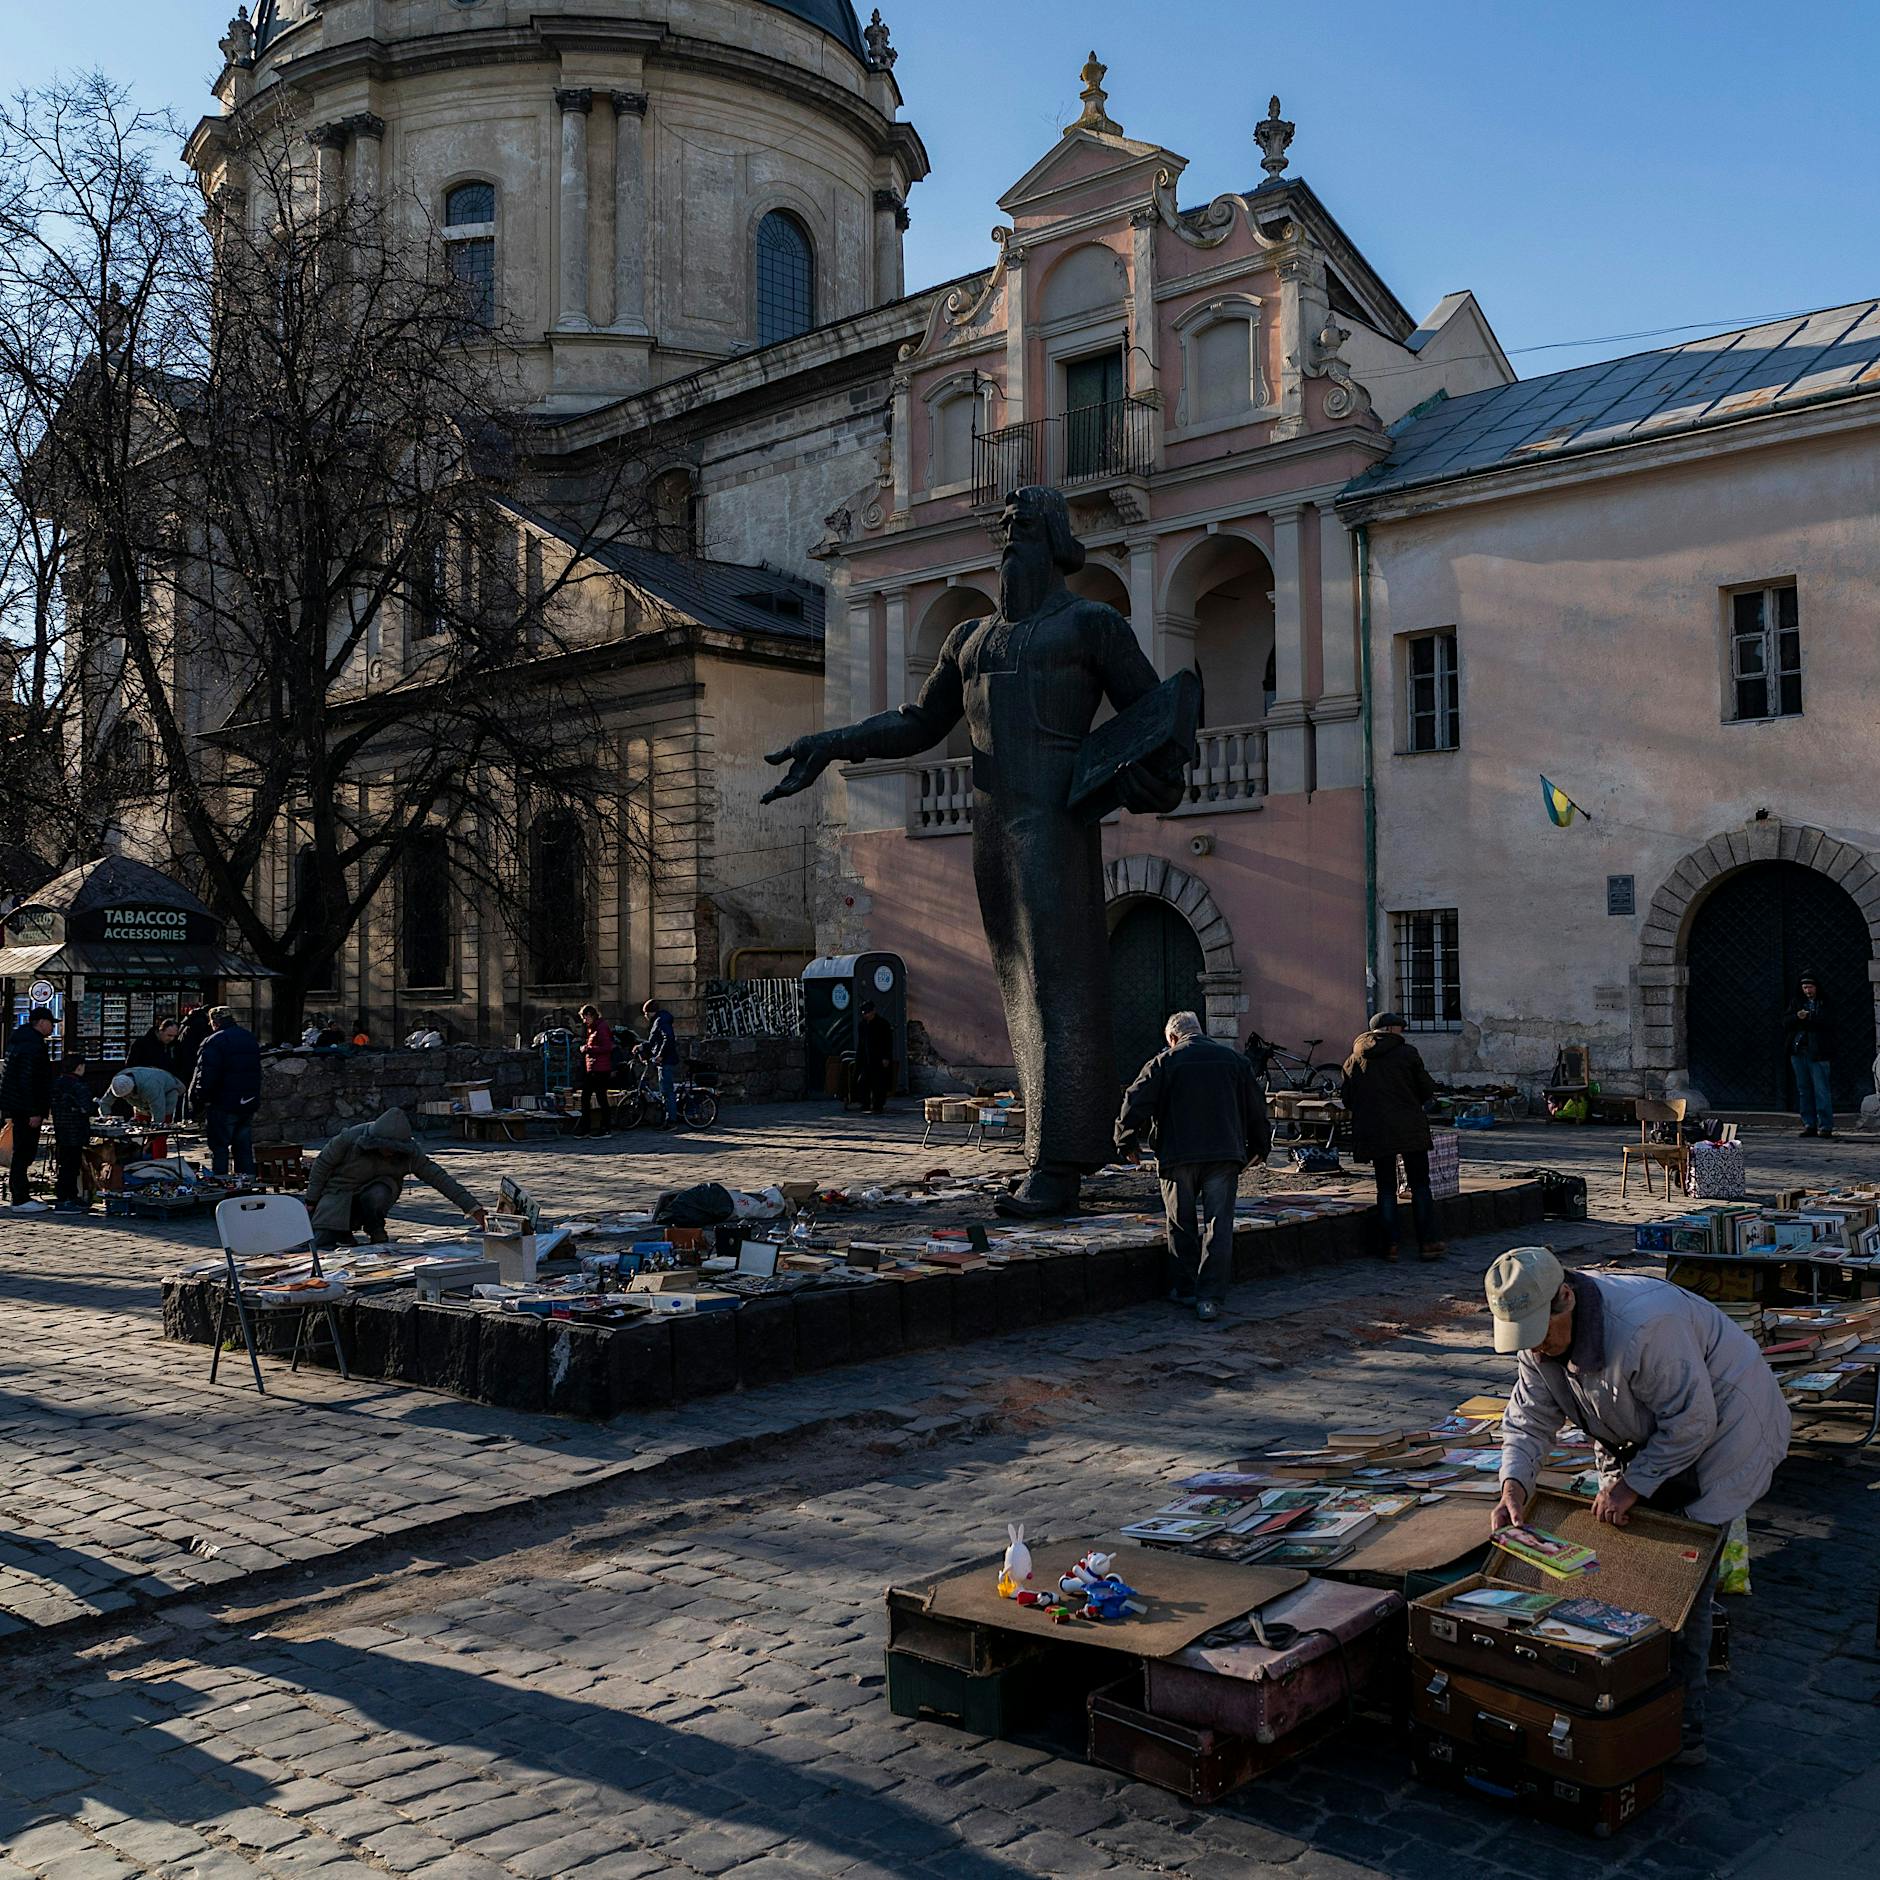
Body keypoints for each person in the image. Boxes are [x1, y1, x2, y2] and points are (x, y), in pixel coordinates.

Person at [762, 486, 1186, 1220]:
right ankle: (1042, 1156)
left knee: (1062, 983)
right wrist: (829, 744)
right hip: (991, 823)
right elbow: (919, 723)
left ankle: (1061, 1163)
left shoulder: (1093, 624)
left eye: (1023, 529)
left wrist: (1154, 778)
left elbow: (1155, 717)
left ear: (1055, 541)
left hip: (1055, 814)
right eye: (1003, 531)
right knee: (1019, 986)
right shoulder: (970, 639)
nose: (1008, 543)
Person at [1485, 1246, 1791, 1768]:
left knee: (1682, 1580)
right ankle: (1629, 1690)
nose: (1535, 1349)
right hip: (1641, 1435)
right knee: (1627, 1563)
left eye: (1541, 1333)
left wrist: (1631, 1486)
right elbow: (1529, 1416)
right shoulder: (1538, 1340)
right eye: (1525, 1339)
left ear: (1566, 1298)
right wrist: (1514, 1481)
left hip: (1725, 1432)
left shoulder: (1646, 1326)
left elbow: (1693, 1422)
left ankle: (1683, 1727)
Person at [1114, 1011, 1271, 1324]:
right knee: (1219, 1223)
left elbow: (1134, 1100)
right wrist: (1260, 1146)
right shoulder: (1234, 1061)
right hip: (1224, 1152)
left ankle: (1185, 1288)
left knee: (1181, 1222)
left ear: (1173, 1038)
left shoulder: (1164, 1062)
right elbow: (1256, 1105)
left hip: (1178, 1154)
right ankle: (1210, 1297)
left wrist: (1126, 1142)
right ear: (1200, 1031)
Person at [304, 1108, 488, 1248]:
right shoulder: (349, 1139)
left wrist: (473, 1209)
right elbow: (322, 1165)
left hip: (375, 1194)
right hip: (338, 1193)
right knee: (321, 1241)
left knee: (378, 1193)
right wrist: (311, 1200)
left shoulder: (410, 1152)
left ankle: (375, 1229)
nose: (389, 1152)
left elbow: (440, 1178)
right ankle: (342, 1232)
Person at [1341, 1011, 1444, 1263]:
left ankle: (1390, 1246)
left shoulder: (1354, 1058)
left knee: (1385, 1188)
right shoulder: (1407, 1054)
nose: (1403, 1033)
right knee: (1420, 1185)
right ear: (1389, 1030)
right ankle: (1428, 1242)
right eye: (1400, 1028)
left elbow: (1347, 1098)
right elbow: (1426, 1089)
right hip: (1408, 1126)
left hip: (1375, 1130)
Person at [192, 1005, 262, 1178]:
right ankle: (246, 1184)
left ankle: (221, 1185)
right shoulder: (248, 1037)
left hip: (222, 1102)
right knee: (243, 1146)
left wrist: (200, 1099)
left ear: (214, 1022)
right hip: (247, 1100)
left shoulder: (214, 1041)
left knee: (220, 1147)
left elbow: (206, 1074)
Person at [1, 1007, 57, 1212]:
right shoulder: (32, 1045)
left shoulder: (19, 1041)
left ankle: (19, 1194)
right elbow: (29, 1080)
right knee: (24, 1152)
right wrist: (34, 1110)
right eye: (51, 1023)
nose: (52, 1027)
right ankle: (20, 1198)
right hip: (25, 1108)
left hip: (17, 1105)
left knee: (22, 1152)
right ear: (41, 1022)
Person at [1787, 971, 1833, 1138]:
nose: (1808, 990)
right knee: (1804, 1090)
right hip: (1799, 1051)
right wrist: (1796, 1017)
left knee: (1821, 1090)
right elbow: (1785, 1022)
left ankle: (1825, 1126)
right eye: (1805, 987)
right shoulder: (1797, 1002)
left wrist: (1808, 1018)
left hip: (1818, 1052)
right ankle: (1809, 1124)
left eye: (1810, 987)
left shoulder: (1824, 1003)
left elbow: (1827, 1022)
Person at [49, 1055, 94, 1213]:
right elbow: (87, 1107)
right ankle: (66, 1200)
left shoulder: (57, 1083)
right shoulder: (78, 1085)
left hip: (61, 1129)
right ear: (80, 1067)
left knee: (65, 1165)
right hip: (76, 1129)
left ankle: (69, 1196)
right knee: (71, 1166)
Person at [576, 1003, 615, 1137]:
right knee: (586, 1097)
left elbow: (607, 1047)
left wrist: (588, 1049)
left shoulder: (601, 1028)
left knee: (600, 1098)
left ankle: (604, 1128)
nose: (584, 1021)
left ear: (590, 1015)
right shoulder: (593, 1028)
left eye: (584, 1018)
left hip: (601, 1069)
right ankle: (587, 1127)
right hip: (594, 1068)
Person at [108, 1064, 185, 1127]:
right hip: (143, 1101)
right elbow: (105, 1101)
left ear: (132, 1089)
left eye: (126, 1096)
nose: (124, 1098)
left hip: (167, 1094)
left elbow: (158, 1108)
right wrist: (106, 1117)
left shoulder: (150, 1086)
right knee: (138, 1129)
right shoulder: (118, 1082)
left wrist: (156, 1125)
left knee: (159, 1134)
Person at [853, 1001, 896, 1115]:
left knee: (879, 1083)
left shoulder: (882, 1024)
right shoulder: (862, 1025)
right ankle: (865, 1103)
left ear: (873, 1011)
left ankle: (878, 1105)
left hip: (879, 1057)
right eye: (864, 1013)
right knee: (863, 1081)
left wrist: (886, 1057)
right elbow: (861, 1043)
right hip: (866, 1057)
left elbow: (888, 1042)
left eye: (867, 1012)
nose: (865, 1015)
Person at [642, 999, 678, 1127]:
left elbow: (668, 1038)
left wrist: (660, 1055)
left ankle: (671, 1121)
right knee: (665, 1090)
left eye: (645, 1013)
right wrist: (641, 1046)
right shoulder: (659, 1020)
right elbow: (654, 1041)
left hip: (666, 1060)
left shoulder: (660, 1021)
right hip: (665, 1059)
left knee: (667, 1091)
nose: (645, 1016)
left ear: (649, 1012)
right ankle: (667, 1117)